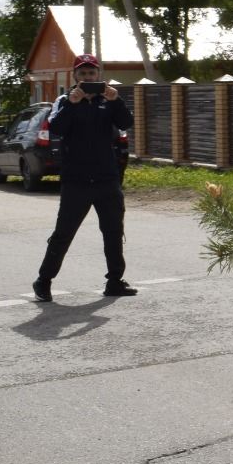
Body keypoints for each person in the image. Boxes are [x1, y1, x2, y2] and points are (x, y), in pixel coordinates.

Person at [33, 54, 136, 301]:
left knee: (113, 231)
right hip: (76, 181)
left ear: (98, 75)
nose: (87, 78)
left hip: (106, 179)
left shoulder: (108, 99)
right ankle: (43, 281)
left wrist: (117, 100)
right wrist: (72, 103)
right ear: (75, 76)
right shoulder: (64, 100)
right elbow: (55, 128)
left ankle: (114, 281)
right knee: (63, 233)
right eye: (83, 74)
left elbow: (126, 122)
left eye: (91, 74)